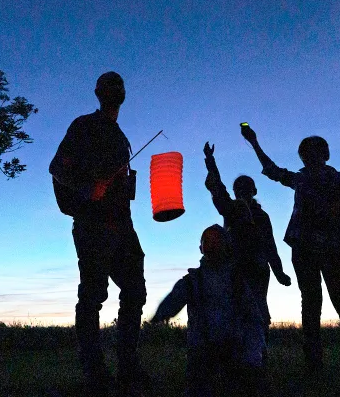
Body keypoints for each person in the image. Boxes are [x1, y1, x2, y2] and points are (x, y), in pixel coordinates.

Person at [240, 124, 340, 377]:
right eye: (305, 154)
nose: (309, 158)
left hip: (332, 250)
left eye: (314, 153)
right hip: (305, 250)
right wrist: (254, 143)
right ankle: (315, 364)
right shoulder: (301, 179)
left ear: (325, 155)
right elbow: (273, 171)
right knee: (313, 304)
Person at [49, 72, 147, 396]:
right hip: (92, 225)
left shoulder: (120, 136)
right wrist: (87, 188)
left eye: (119, 84)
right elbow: (56, 168)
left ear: (124, 93)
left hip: (123, 226)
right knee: (92, 296)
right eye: (109, 85)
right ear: (98, 92)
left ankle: (127, 366)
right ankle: (94, 371)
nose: (115, 89)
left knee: (135, 291)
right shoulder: (83, 126)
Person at [150, 224, 266, 397]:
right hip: (201, 352)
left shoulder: (238, 281)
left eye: (217, 241)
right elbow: (172, 302)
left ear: (227, 246)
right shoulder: (193, 280)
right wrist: (158, 318)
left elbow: (253, 319)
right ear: (201, 248)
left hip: (234, 350)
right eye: (208, 241)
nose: (212, 245)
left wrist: (254, 354)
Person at [202, 142, 291, 350]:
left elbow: (270, 246)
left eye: (244, 189)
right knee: (241, 309)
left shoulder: (254, 215)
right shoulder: (233, 210)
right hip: (241, 268)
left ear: (252, 191)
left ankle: (257, 354)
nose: (241, 192)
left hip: (254, 269)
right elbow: (218, 188)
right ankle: (246, 354)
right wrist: (210, 161)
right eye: (239, 189)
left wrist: (279, 272)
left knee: (254, 309)